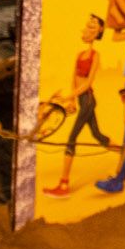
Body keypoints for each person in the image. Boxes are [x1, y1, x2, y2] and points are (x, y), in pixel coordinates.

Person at [44, 14, 111, 198]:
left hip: (88, 100)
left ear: (98, 32)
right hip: (81, 100)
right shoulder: (79, 55)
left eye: (93, 26)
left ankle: (63, 186)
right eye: (88, 25)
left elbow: (88, 83)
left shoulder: (95, 55)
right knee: (98, 135)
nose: (88, 28)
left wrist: (69, 96)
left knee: (71, 139)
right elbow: (74, 78)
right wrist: (72, 100)